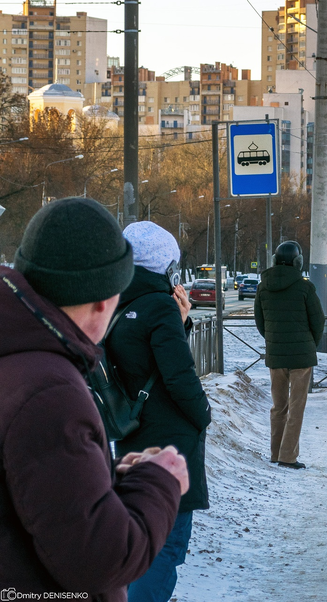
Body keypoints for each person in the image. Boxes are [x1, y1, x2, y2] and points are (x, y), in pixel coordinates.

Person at [0, 198, 188, 602]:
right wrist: (159, 481)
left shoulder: (17, 357)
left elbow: (35, 500)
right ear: (105, 299)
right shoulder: (49, 393)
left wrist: (108, 477)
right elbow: (101, 562)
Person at [107, 221, 212, 602]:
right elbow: (179, 375)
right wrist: (203, 413)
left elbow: (142, 361)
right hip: (170, 440)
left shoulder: (118, 303)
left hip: (133, 432)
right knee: (167, 545)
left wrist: (180, 321)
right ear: (163, 265)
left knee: (143, 537)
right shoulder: (158, 306)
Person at [255, 240, 324, 469]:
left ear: (275, 260)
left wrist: (274, 341)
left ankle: (275, 454)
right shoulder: (305, 287)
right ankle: (288, 457)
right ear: (298, 262)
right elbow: (317, 321)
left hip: (276, 356)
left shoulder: (263, 286)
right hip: (301, 357)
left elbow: (260, 322)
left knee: (279, 407)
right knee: (296, 407)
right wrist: (308, 344)